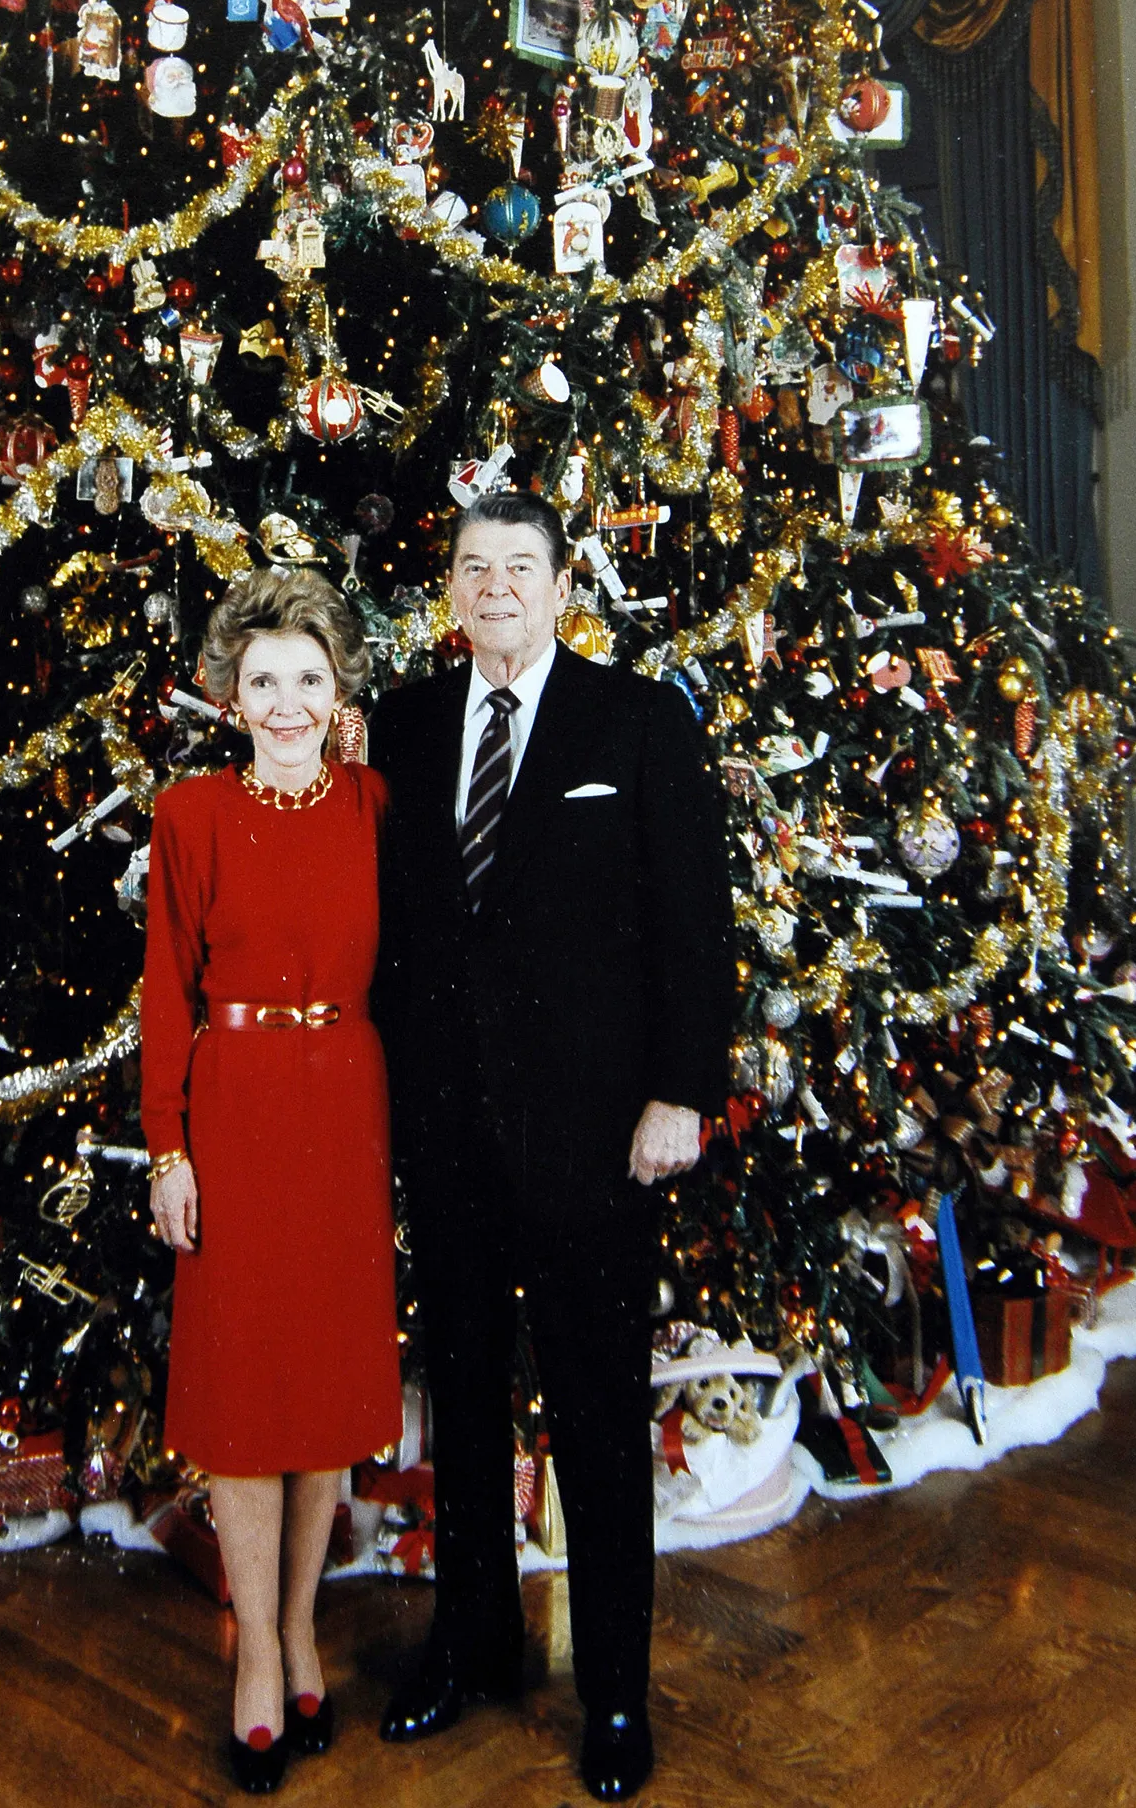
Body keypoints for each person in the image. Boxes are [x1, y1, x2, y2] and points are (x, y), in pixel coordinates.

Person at [370, 492, 736, 1803]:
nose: (497, 586)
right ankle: (472, 1645)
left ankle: (617, 1698)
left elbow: (696, 929)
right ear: (451, 589)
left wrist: (681, 1095)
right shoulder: (405, 727)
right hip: (450, 1137)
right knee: (460, 1404)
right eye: (474, 566)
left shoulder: (635, 720)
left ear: (562, 581)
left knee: (593, 1416)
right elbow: (391, 940)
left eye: (520, 566)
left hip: (596, 1142)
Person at [140, 568, 402, 1794]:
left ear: (338, 688)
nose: (286, 701)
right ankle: (255, 1655)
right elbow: (164, 998)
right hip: (235, 1106)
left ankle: (302, 1626)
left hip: (346, 1100)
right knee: (248, 1383)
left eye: (308, 679)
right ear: (230, 693)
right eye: (263, 681)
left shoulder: (376, 805)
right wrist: (168, 1151)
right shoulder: (188, 815)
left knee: (327, 1383)